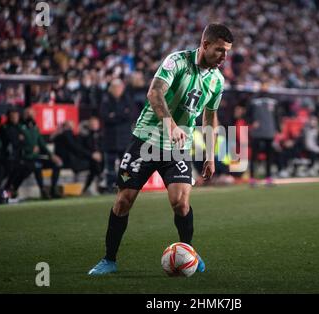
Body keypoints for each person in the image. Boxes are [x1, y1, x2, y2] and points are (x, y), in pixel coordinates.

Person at [88, 23, 233, 275]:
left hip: (178, 148)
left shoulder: (217, 81)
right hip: (145, 140)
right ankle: (109, 259)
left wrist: (210, 154)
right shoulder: (176, 62)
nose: (224, 57)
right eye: (220, 50)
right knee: (123, 201)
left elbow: (210, 118)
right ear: (205, 45)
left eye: (227, 51)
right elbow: (154, 93)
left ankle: (188, 254)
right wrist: (171, 125)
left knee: (181, 204)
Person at [99, 79, 135, 193]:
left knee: (125, 164)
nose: (118, 90)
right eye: (115, 87)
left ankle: (124, 184)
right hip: (110, 139)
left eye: (120, 87)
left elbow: (132, 115)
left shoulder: (127, 99)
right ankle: (110, 186)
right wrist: (122, 114)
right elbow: (104, 117)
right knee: (109, 166)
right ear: (111, 89)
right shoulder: (105, 100)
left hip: (124, 139)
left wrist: (114, 115)